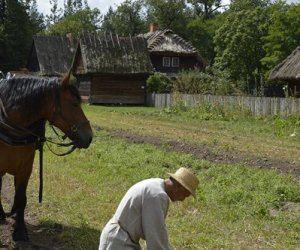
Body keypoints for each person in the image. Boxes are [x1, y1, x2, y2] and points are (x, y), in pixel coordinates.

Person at [98, 167, 199, 250]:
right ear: (179, 187)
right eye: (185, 195)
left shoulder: (155, 184)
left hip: (120, 238)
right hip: (119, 242)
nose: (182, 200)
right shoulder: (157, 196)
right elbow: (156, 240)